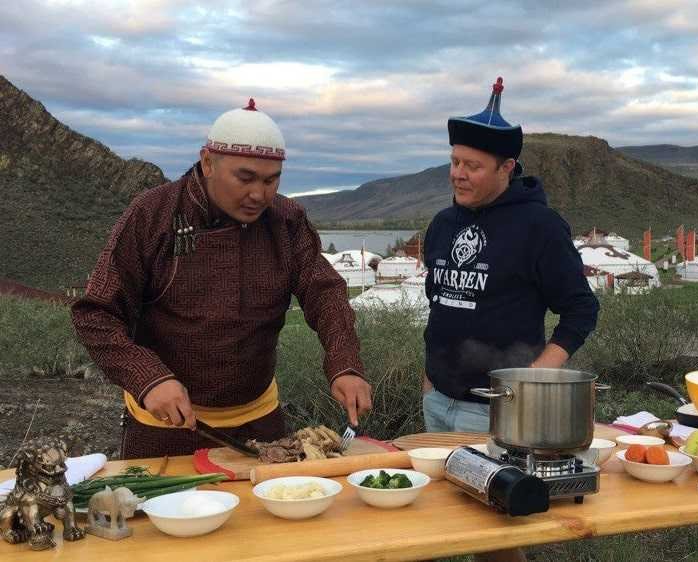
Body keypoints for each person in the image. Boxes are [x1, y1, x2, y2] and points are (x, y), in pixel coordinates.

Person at [72, 98, 371, 459]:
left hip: (260, 422)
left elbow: (325, 293)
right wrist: (147, 378)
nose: (259, 194)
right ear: (208, 162)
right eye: (245, 178)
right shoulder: (152, 215)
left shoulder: (286, 220)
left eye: (271, 180)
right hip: (166, 426)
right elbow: (96, 314)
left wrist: (345, 363)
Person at [422, 76, 599, 562]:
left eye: (472, 166)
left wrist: (536, 377)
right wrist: (428, 379)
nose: (458, 174)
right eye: (454, 162)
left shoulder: (539, 227)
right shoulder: (442, 224)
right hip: (438, 403)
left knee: (495, 539)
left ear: (507, 168)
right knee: (433, 525)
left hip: (497, 412)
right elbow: (440, 305)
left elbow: (581, 308)